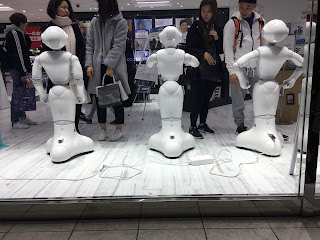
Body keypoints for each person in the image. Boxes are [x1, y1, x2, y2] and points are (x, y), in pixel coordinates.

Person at [86, 0, 131, 141]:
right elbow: (90, 44)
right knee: (99, 101)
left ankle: (119, 129)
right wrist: (89, 64)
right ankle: (102, 129)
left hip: (114, 66)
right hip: (97, 66)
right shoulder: (95, 21)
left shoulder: (121, 22)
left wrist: (109, 66)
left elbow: (118, 46)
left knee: (115, 98)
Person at [43, 0, 86, 133]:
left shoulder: (73, 27)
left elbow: (81, 48)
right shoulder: (48, 28)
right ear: (55, 8)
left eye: (68, 8)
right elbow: (45, 50)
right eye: (63, 7)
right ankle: (61, 130)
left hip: (73, 71)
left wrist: (76, 65)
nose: (66, 10)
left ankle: (75, 129)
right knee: (59, 101)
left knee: (76, 100)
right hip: (57, 73)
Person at [223, 0, 264, 134]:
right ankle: (240, 125)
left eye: (248, 7)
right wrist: (231, 71)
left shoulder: (262, 22)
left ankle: (262, 125)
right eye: (241, 7)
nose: (244, 10)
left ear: (255, 6)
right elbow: (228, 49)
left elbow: (265, 45)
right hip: (239, 68)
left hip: (257, 68)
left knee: (260, 98)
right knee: (238, 100)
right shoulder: (232, 23)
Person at [185, 0, 223, 139]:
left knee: (207, 98)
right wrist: (203, 53)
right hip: (199, 69)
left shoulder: (217, 28)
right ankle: (192, 126)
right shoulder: (196, 26)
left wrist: (217, 39)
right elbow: (188, 48)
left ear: (213, 12)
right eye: (203, 11)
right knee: (197, 97)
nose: (205, 14)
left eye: (208, 11)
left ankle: (203, 123)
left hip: (213, 69)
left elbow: (222, 50)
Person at [5, 13, 37, 129]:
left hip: (18, 68)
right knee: (18, 93)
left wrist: (25, 33)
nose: (27, 25)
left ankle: (22, 117)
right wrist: (23, 72)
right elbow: (18, 54)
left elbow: (26, 46)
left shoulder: (19, 33)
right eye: (26, 23)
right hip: (17, 68)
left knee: (21, 93)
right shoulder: (14, 33)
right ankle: (15, 120)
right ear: (21, 23)